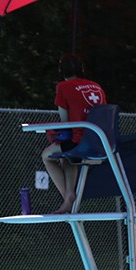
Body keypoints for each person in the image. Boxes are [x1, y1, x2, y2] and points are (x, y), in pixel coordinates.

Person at [41, 54, 107, 215]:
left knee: (47, 155)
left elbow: (66, 123)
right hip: (102, 142)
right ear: (81, 69)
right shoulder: (96, 86)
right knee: (65, 155)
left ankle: (69, 198)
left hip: (81, 142)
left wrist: (53, 134)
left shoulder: (63, 87)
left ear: (61, 71)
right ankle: (70, 198)